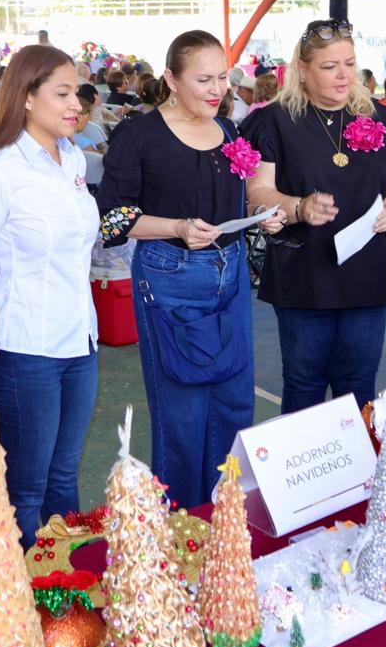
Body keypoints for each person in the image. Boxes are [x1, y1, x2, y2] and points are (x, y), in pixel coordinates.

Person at [97, 30, 286, 508]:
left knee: (234, 403)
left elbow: (234, 199)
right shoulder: (138, 135)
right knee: (182, 412)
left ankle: (226, 517)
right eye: (204, 79)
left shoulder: (229, 131)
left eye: (222, 78)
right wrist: (177, 228)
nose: (217, 89)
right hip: (170, 277)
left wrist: (263, 215)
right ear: (171, 79)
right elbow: (112, 219)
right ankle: (182, 522)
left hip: (232, 273)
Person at [0, 44, 99, 547]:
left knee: (64, 475)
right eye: (63, 93)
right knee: (26, 490)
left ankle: (68, 583)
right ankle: (21, 590)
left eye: (77, 92)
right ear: (27, 98)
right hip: (24, 349)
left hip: (80, 341)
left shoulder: (72, 159)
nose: (76, 104)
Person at [243, 18, 386, 413]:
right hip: (303, 273)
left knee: (359, 385)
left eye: (349, 64)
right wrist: (298, 207)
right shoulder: (274, 121)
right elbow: (257, 192)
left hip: (367, 273)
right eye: (330, 66)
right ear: (302, 70)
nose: (344, 75)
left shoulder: (381, 118)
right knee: (304, 384)